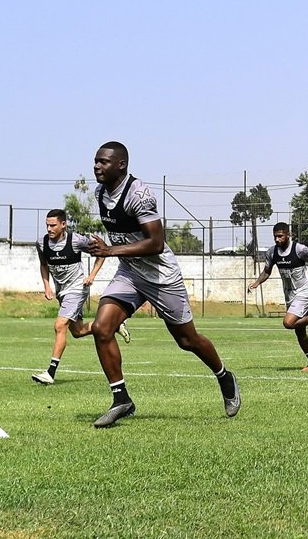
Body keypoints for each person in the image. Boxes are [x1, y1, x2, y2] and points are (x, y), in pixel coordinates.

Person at [85, 142, 239, 427]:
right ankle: (121, 399)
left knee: (187, 340)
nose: (97, 166)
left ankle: (224, 376)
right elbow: (119, 237)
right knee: (101, 327)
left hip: (160, 276)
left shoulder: (139, 194)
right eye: (95, 161)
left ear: (121, 165)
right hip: (130, 273)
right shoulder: (100, 192)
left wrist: (110, 251)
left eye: (103, 162)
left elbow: (155, 243)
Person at [31, 208, 129, 385]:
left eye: (53, 225)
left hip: (77, 288)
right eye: (47, 225)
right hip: (62, 291)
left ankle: (50, 373)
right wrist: (47, 286)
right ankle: (113, 324)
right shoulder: (41, 243)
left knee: (60, 325)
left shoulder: (76, 240)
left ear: (63, 224)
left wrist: (92, 275)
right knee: (77, 331)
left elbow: (101, 253)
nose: (49, 229)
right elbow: (43, 265)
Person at [247, 222, 308, 371]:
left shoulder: (300, 250)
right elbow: (267, 271)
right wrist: (257, 282)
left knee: (288, 323)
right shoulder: (272, 252)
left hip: (303, 291)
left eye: (280, 236)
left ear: (288, 235)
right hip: (289, 294)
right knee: (299, 331)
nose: (277, 239)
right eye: (275, 237)